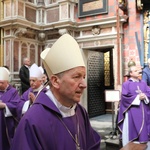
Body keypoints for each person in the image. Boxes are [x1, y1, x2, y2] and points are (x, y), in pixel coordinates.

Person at [11, 34, 101, 150]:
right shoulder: (33, 120)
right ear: (55, 81)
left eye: (83, 76)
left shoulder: (80, 111)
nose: (84, 84)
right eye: (76, 77)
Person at [118, 65, 150, 147]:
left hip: (144, 110)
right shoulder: (126, 84)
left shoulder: (143, 83)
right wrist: (137, 97)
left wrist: (145, 96)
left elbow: (148, 92)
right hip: (133, 111)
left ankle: (144, 142)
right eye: (135, 71)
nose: (138, 72)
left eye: (138, 70)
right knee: (133, 129)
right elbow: (124, 97)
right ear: (131, 73)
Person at [0, 67, 21, 150]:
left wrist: (5, 105)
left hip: (6, 125)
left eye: (1, 83)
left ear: (7, 82)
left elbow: (17, 105)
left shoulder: (13, 92)